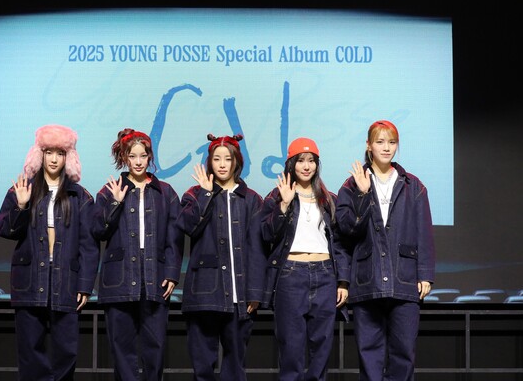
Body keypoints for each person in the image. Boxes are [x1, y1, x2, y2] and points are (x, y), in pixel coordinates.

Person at [0, 124, 99, 380]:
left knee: (67, 351)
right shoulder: (23, 189)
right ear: (39, 154)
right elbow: (6, 230)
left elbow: (89, 245)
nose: (54, 159)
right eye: (48, 152)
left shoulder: (80, 196)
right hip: (30, 281)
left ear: (68, 157)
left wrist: (85, 286)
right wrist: (21, 206)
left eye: (60, 153)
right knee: (30, 349)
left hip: (67, 282)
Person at [336, 120, 435, 380]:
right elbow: (345, 232)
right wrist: (361, 194)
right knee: (369, 354)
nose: (386, 147)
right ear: (368, 146)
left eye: (391, 142)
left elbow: (424, 230)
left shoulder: (413, 185)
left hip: (404, 280)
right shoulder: (351, 185)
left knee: (404, 353)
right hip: (366, 280)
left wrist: (425, 274)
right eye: (380, 142)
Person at [92, 128, 184, 381]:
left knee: (156, 346)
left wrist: (172, 273)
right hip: (119, 280)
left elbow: (174, 237)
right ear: (124, 158)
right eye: (132, 156)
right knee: (121, 347)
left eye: (143, 156)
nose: (139, 161)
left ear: (150, 156)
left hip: (155, 279)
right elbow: (98, 230)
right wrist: (115, 203)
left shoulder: (165, 192)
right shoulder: (109, 190)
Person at [260, 137, 351, 381]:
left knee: (322, 346)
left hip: (325, 274)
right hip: (291, 274)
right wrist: (283, 206)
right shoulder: (277, 195)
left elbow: (340, 243)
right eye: (301, 160)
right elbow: (266, 234)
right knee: (291, 346)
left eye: (311, 161)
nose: (306, 166)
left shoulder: (329, 198)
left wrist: (343, 281)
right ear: (291, 164)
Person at [177, 133, 266, 381]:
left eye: (228, 159)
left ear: (237, 161)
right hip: (203, 293)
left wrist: (255, 292)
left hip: (240, 296)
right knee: (202, 365)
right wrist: (206, 195)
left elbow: (257, 249)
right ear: (210, 162)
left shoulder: (252, 199)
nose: (223, 164)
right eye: (217, 159)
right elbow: (188, 227)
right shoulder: (194, 194)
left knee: (236, 365)